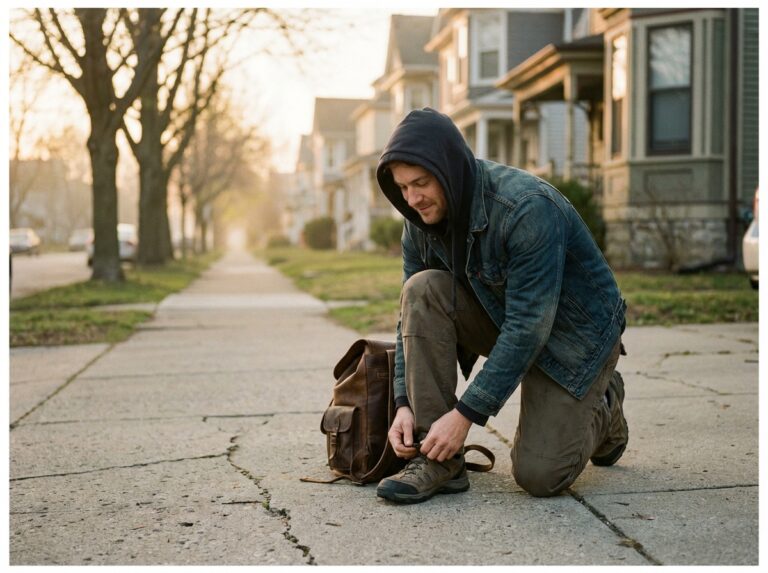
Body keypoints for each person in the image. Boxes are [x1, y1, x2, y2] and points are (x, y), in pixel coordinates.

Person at [374, 108, 628, 504]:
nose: (412, 198)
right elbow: (409, 316)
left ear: (449, 169)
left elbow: (529, 326)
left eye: (421, 183)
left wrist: (465, 416)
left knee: (539, 476)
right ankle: (439, 460)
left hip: (574, 338)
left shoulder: (526, 208)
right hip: (501, 316)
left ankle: (605, 405)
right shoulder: (417, 222)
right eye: (403, 188)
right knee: (421, 289)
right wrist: (403, 402)